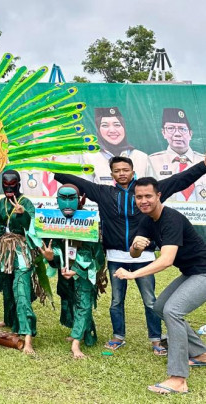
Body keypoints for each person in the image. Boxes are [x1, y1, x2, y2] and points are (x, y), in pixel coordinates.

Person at [55, 155, 206, 354]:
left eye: (125, 170)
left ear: (133, 171)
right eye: (117, 171)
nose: (121, 173)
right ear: (112, 175)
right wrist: (53, 170)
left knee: (151, 301)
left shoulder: (147, 192)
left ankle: (156, 339)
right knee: (117, 300)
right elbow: (79, 182)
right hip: (116, 257)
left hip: (144, 258)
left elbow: (181, 179)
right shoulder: (103, 192)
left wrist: (203, 165)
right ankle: (118, 336)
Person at [114, 177, 206, 395]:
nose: (143, 201)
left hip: (203, 272)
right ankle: (201, 354)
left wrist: (132, 273)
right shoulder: (147, 220)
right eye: (139, 197)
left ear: (158, 196)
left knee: (172, 311)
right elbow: (134, 252)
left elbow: (166, 260)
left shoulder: (170, 219)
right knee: (159, 307)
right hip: (191, 272)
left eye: (148, 196)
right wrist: (136, 247)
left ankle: (178, 379)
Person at [40, 184, 105, 359]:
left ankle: (76, 343)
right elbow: (51, 251)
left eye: (71, 198)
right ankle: (84, 332)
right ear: (57, 200)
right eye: (63, 198)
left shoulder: (90, 222)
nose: (67, 203)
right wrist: (51, 257)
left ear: (80, 200)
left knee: (84, 303)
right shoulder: (51, 222)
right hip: (64, 271)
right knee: (70, 301)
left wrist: (77, 270)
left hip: (84, 272)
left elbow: (98, 256)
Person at [0, 169, 43, 354]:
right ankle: (9, 320)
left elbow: (34, 228)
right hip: (4, 253)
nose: (9, 187)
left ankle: (27, 337)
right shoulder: (1, 203)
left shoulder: (26, 203)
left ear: (19, 184)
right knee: (7, 287)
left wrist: (23, 214)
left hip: (21, 253)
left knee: (21, 291)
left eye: (13, 184)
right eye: (5, 184)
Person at [148, 108, 206, 201]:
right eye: (171, 128)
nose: (177, 134)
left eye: (182, 129)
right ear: (163, 132)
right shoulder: (152, 162)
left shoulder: (203, 161)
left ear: (190, 133)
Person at [83, 107, 149, 185]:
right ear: (98, 129)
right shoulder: (89, 158)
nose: (112, 130)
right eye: (105, 125)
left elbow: (152, 191)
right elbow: (85, 192)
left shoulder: (141, 158)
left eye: (117, 125)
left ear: (124, 127)